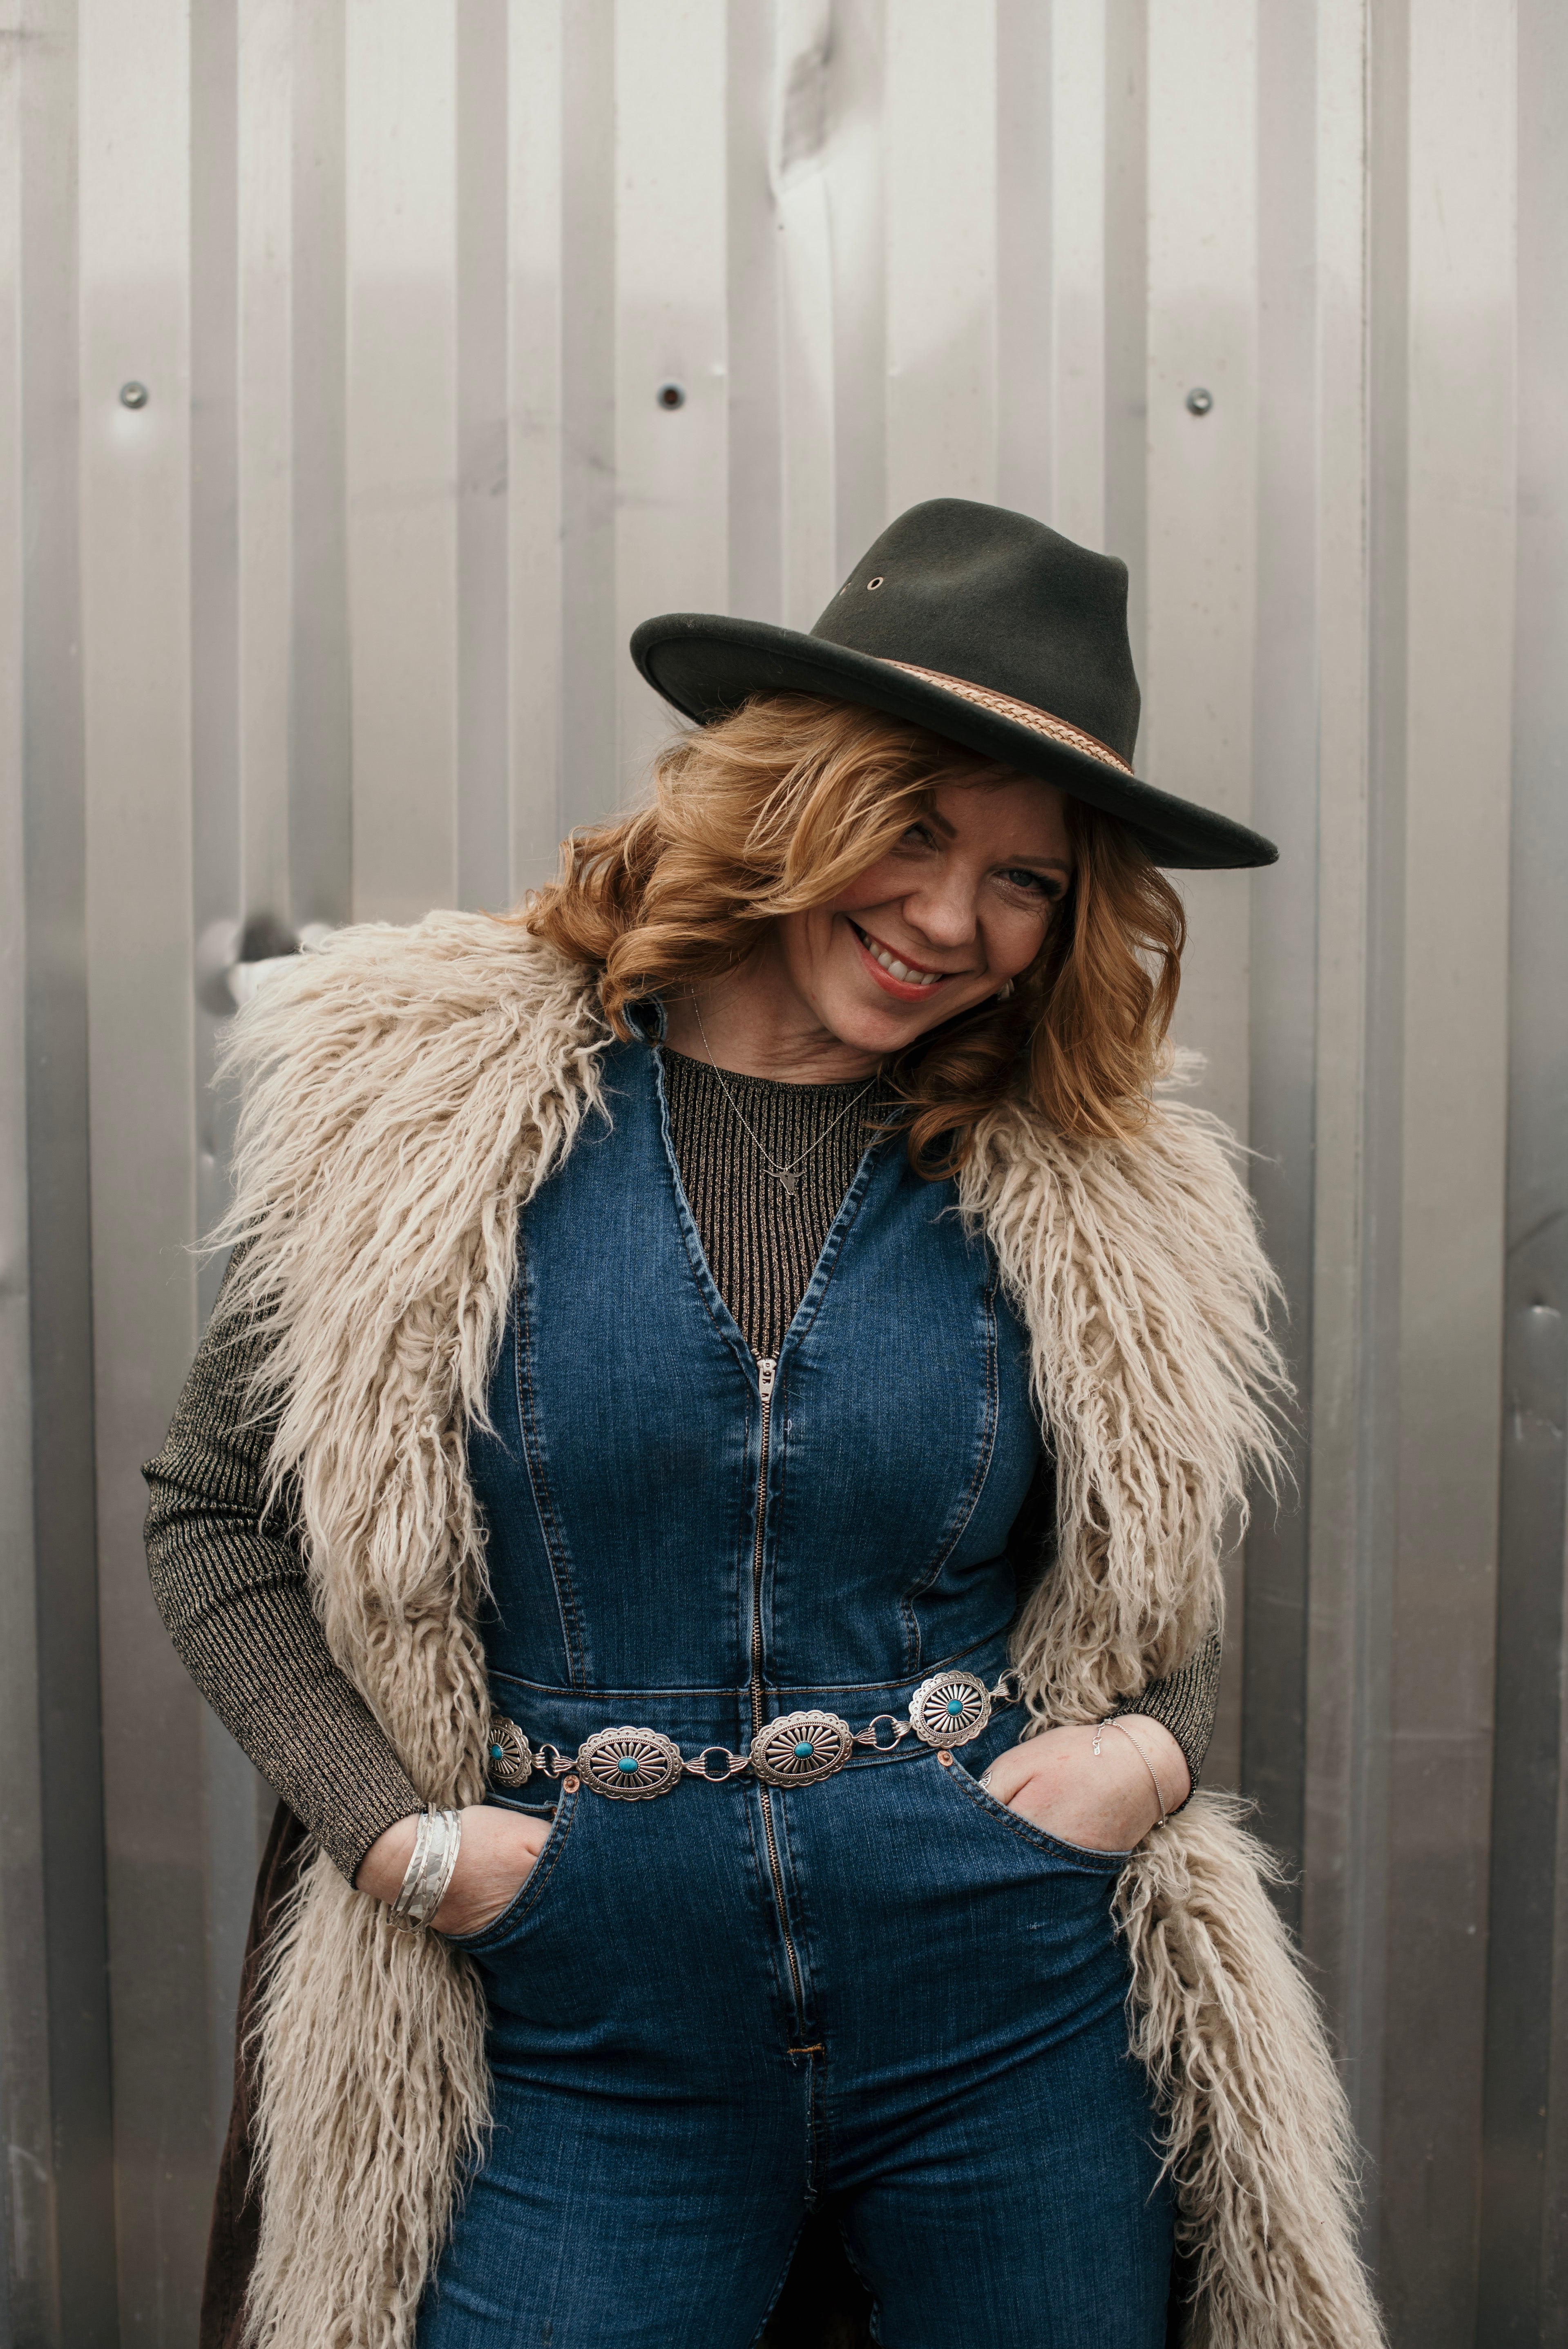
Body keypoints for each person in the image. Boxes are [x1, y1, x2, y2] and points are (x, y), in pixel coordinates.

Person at [145, 500, 1382, 2349]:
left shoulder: (1097, 1188)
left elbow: (1146, 1591)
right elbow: (212, 1511)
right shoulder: (430, 1115)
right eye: (917, 825)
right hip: (588, 2003)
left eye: (1031, 879)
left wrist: (1139, 1767)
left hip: (1003, 1998)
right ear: (788, 789)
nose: (953, 918)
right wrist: (408, 1841)